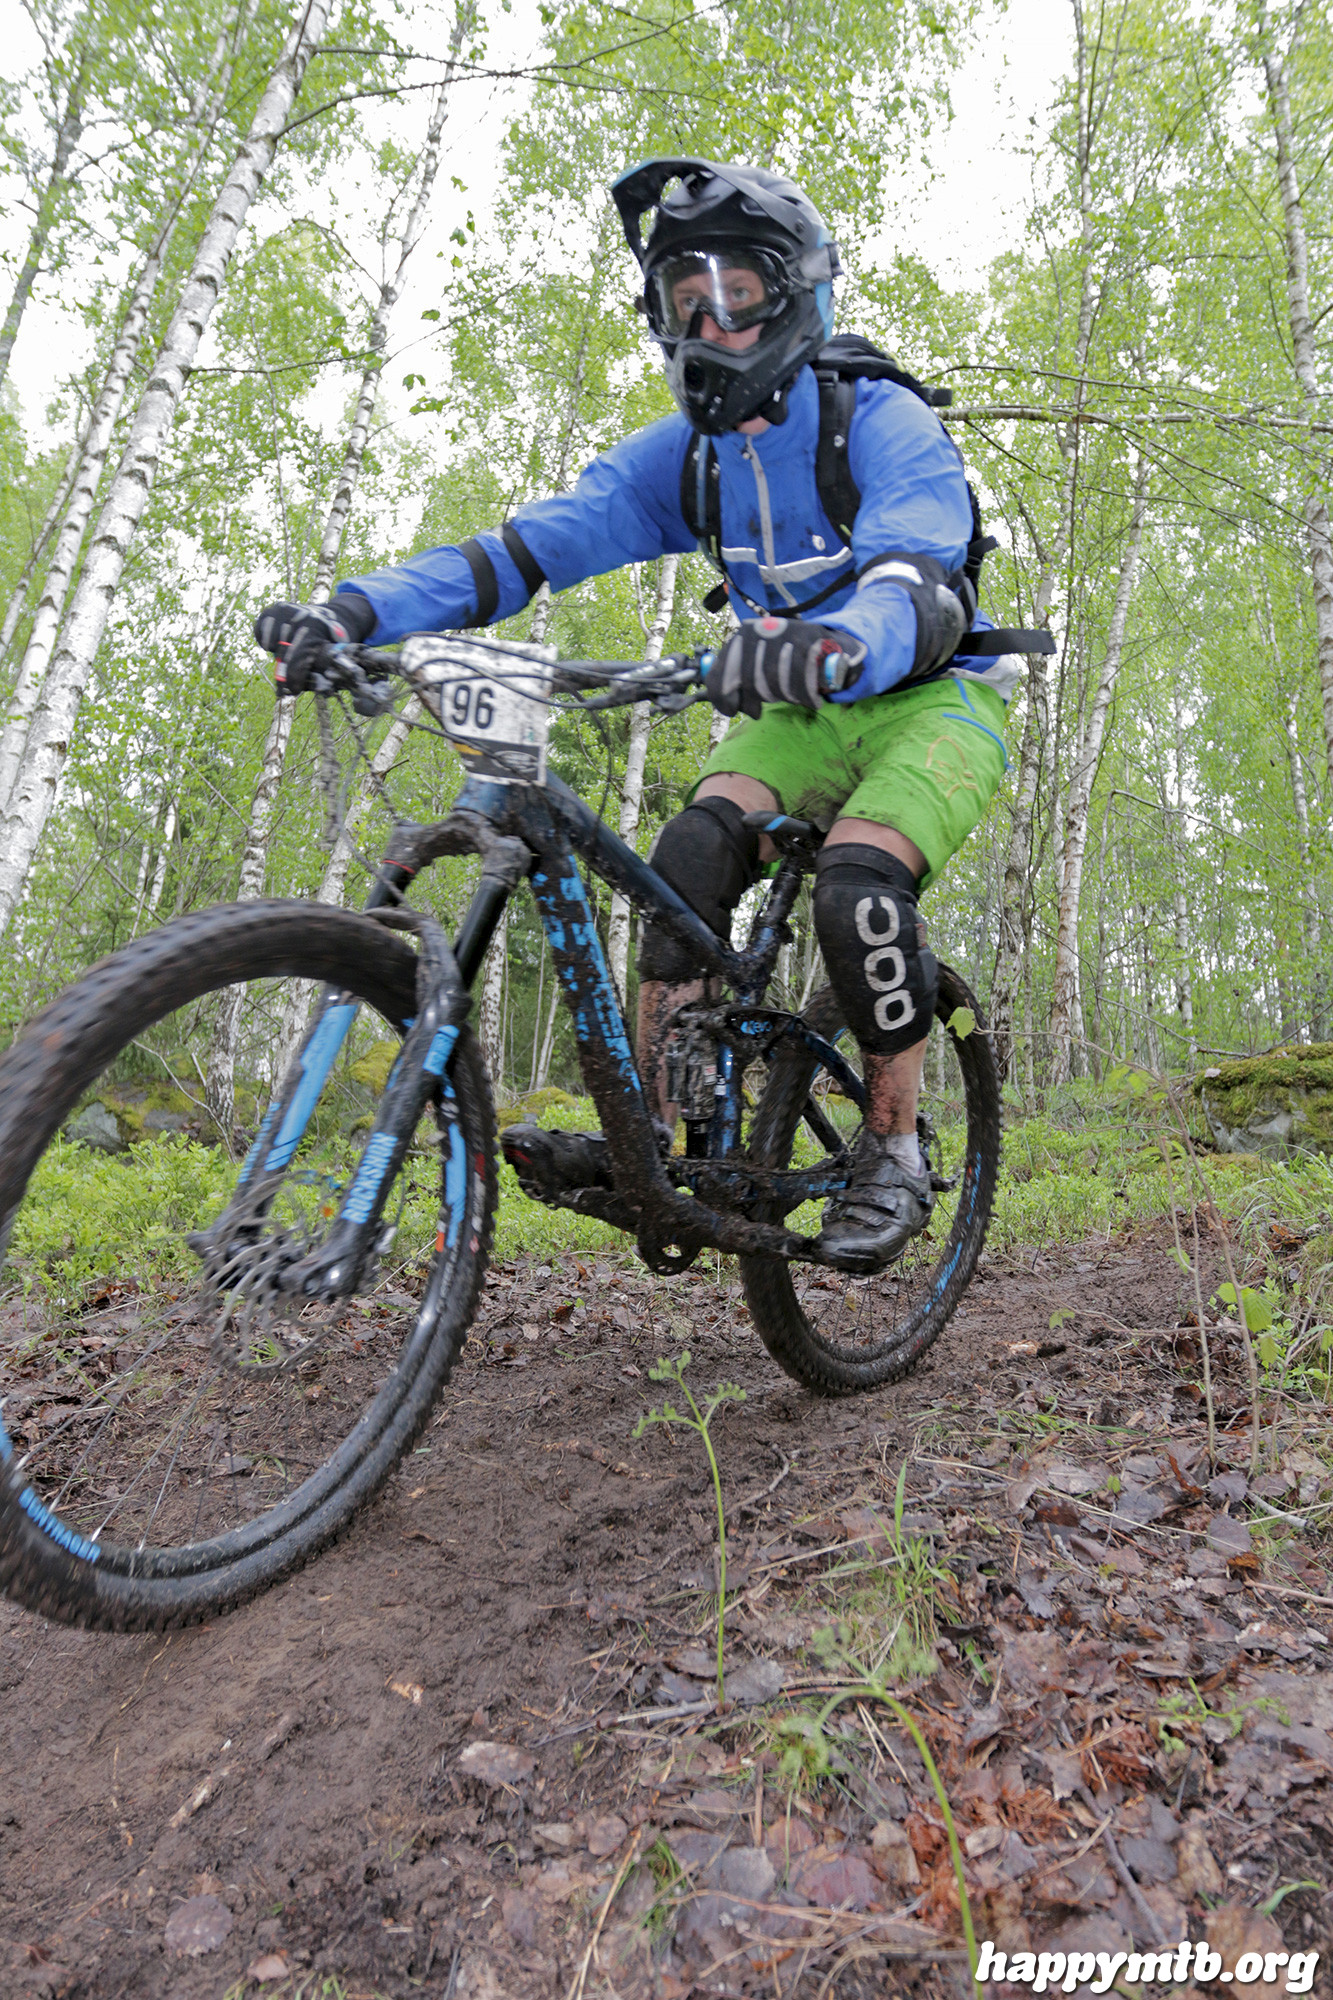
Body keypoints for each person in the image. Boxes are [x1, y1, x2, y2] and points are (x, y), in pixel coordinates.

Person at [254, 158, 1022, 1275]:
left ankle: (893, 1148)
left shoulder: (877, 418)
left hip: (930, 698)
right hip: (793, 704)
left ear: (798, 296)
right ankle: (657, 1146)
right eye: (683, 300)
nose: (710, 325)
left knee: (857, 887)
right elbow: (524, 551)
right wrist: (354, 611)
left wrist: (841, 641)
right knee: (684, 867)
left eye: (737, 294)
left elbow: (916, 569)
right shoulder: (689, 461)